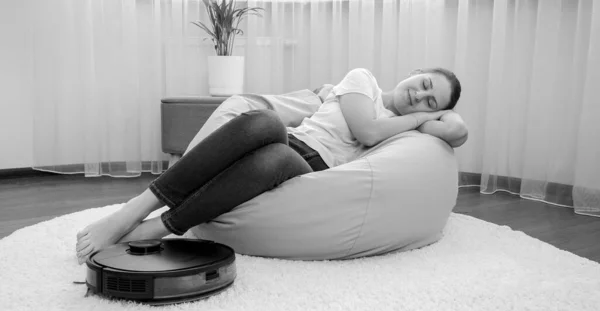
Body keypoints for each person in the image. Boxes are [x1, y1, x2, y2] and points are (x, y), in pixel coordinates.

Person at [75, 67, 466, 264]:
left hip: (306, 168)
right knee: (263, 121)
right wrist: (421, 119)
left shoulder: (404, 134)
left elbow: (458, 131)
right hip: (288, 140)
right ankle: (135, 211)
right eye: (425, 83)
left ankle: (159, 227)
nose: (420, 96)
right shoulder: (363, 80)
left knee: (278, 158)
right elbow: (367, 130)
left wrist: (430, 122)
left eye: (431, 103)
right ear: (416, 71)